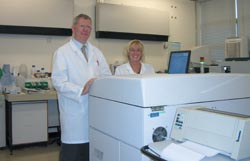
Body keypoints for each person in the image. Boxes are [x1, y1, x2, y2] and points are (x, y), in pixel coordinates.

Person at [51, 14, 111, 161]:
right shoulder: (62, 52)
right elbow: (58, 82)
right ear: (73, 28)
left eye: (89, 27)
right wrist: (81, 89)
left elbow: (107, 76)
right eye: (82, 26)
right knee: (73, 154)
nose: (86, 30)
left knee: (92, 154)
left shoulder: (97, 52)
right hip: (75, 116)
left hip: (95, 115)